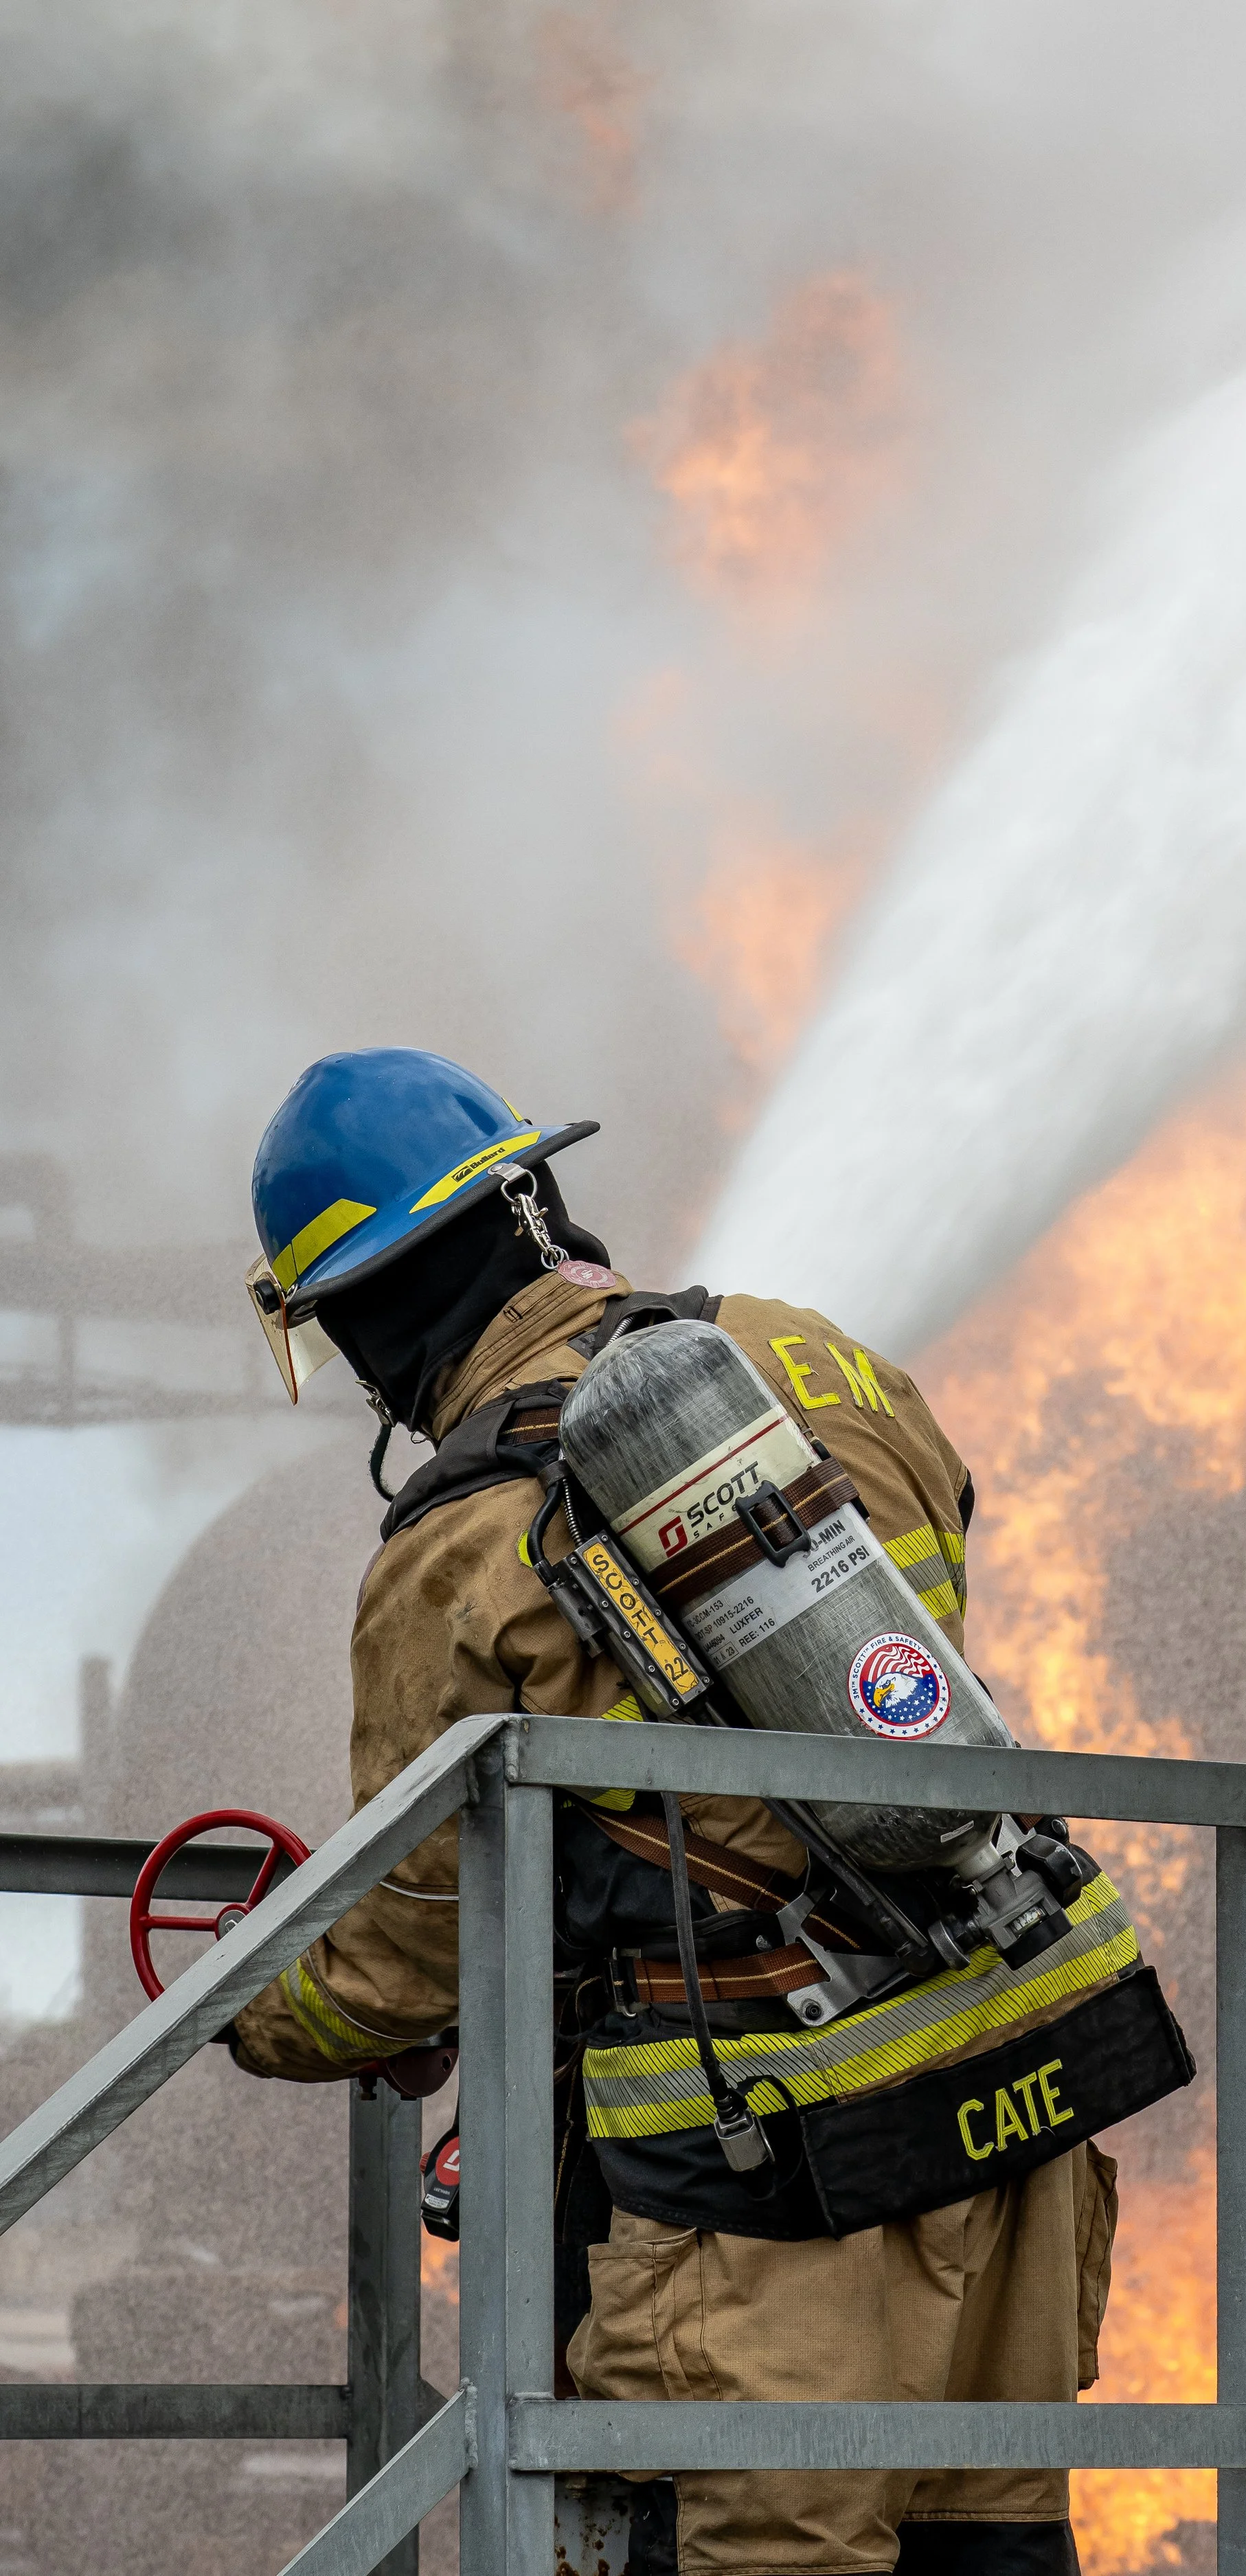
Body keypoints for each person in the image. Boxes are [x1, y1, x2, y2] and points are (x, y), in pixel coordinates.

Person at [236, 1046, 1143, 2576]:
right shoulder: (821, 1358)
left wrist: (260, 2010)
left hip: (773, 2190)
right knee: (993, 2555)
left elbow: (403, 1951)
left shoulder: (451, 1547)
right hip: (1018, 2096)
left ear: (369, 1327)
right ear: (535, 1199)